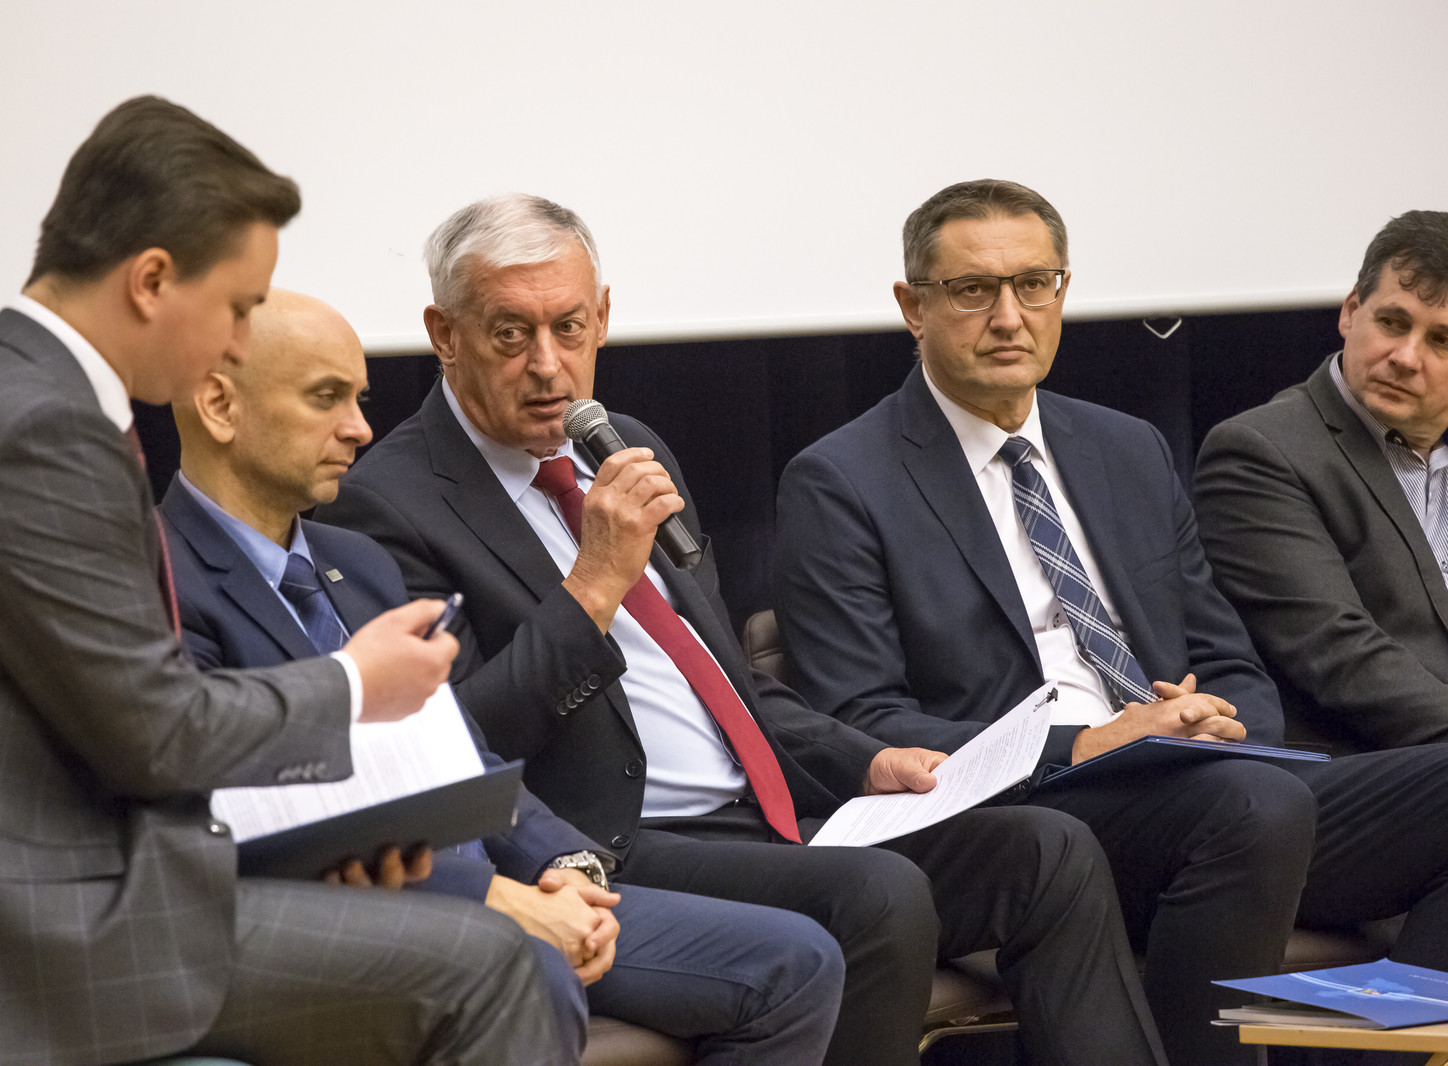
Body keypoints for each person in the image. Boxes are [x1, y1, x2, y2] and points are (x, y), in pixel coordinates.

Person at [316, 192, 1168, 1066]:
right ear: (444, 334)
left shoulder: (623, 444)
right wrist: (592, 587)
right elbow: (458, 744)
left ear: (602, 317)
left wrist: (862, 762)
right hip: (614, 840)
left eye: (568, 328)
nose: (548, 365)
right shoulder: (389, 503)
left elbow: (729, 683)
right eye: (509, 334)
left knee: (1047, 852)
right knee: (878, 897)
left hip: (764, 811)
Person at [0, 96, 571, 1066]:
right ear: (152, 280)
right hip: (10, 929)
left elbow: (113, 728)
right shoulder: (39, 428)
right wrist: (355, 685)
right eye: (236, 308)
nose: (236, 343)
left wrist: (321, 844)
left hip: (60, 881)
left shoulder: (16, 393)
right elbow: (155, 733)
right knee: (490, 965)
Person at [772, 177, 1448, 1066]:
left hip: (1209, 786)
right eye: (973, 290)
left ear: (1063, 291)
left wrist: (1223, 721)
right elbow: (864, 720)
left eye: (1034, 284)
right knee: (1254, 803)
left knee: (1281, 791)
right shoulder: (841, 480)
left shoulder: (1126, 446)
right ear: (913, 307)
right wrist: (1090, 744)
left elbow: (1227, 659)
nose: (1009, 317)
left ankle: (1382, 1057)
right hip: (1038, 813)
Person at [159, 287, 847, 1064]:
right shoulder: (156, 587)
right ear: (219, 406)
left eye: (360, 399)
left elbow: (458, 752)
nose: (359, 428)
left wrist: (563, 865)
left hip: (489, 884)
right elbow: (249, 825)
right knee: (522, 967)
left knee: (797, 963)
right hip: (335, 918)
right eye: (326, 399)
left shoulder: (355, 561)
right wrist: (497, 900)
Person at [1194, 211, 1448, 756]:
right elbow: (1339, 653)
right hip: (1363, 765)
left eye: (1442, 340)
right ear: (1351, 311)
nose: (1406, 358)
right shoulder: (1258, 451)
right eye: (1393, 323)